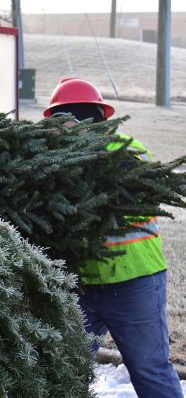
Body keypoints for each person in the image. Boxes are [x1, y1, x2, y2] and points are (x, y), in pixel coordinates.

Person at [45, 78, 183, 398]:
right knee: (62, 370)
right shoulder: (51, 161)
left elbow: (130, 186)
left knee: (150, 370)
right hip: (78, 285)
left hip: (134, 282)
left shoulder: (127, 150)